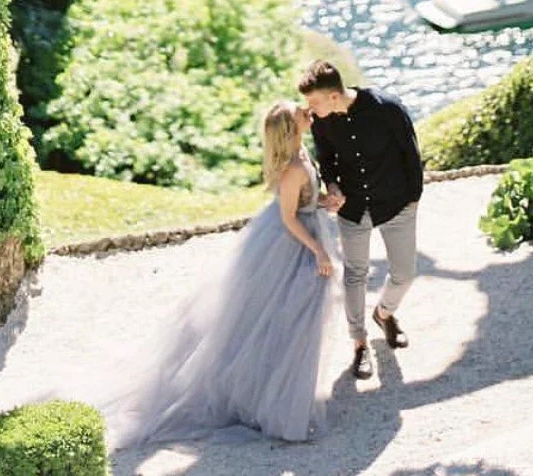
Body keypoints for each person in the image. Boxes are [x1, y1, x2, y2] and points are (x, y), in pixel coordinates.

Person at [105, 100, 341, 449]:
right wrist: (318, 250)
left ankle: (283, 396)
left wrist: (323, 201)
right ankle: (276, 405)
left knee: (293, 320)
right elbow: (289, 218)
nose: (307, 111)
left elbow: (303, 202)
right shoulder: (292, 168)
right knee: (289, 318)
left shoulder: (302, 152)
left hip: (304, 231)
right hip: (291, 244)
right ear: (290, 130)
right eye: (299, 113)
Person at [299, 59, 423, 382]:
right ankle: (360, 344)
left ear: (333, 97)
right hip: (352, 208)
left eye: (313, 102)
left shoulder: (387, 108)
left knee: (405, 274)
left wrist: (412, 199)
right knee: (355, 274)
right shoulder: (321, 123)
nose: (308, 109)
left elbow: (410, 155)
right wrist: (333, 185)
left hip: (396, 204)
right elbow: (326, 160)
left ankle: (384, 314)